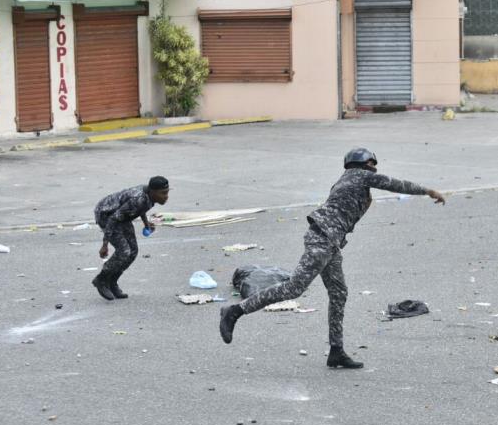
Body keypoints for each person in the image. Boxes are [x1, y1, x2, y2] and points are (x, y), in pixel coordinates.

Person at [218, 148, 446, 369]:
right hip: (322, 239)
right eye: (373, 165)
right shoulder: (359, 176)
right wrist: (428, 190)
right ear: (367, 163)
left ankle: (336, 351)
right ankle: (235, 311)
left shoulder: (346, 180)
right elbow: (397, 184)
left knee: (339, 293)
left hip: (331, 242)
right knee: (294, 288)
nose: (374, 169)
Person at [92, 176, 170, 300]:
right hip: (106, 215)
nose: (166, 196)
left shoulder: (149, 197)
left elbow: (141, 208)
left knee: (133, 251)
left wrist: (146, 224)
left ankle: (112, 282)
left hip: (122, 216)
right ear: (153, 192)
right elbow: (113, 219)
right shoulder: (138, 199)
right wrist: (105, 245)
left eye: (167, 192)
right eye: (163, 193)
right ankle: (101, 279)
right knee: (124, 251)